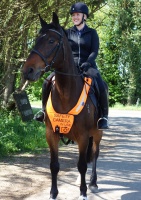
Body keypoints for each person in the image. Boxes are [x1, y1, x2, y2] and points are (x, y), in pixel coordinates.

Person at [34, 2, 109, 130]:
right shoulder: (67, 33)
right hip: (70, 65)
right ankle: (43, 112)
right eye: (73, 15)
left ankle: (103, 117)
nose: (75, 17)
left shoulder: (92, 33)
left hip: (88, 64)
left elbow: (94, 51)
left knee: (100, 83)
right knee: (47, 82)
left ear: (84, 16)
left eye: (77, 15)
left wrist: (88, 62)